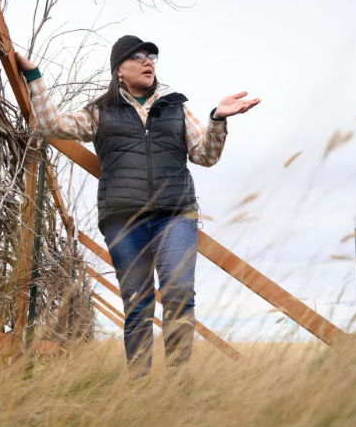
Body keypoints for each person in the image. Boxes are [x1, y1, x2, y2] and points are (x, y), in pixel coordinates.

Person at [15, 35, 260, 379]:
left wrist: (217, 119)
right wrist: (34, 76)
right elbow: (50, 124)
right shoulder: (100, 112)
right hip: (123, 219)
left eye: (152, 58)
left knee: (178, 293)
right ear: (119, 70)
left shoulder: (175, 107)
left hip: (174, 215)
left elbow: (205, 156)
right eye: (138, 56)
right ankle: (140, 389)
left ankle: (177, 383)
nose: (148, 62)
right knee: (137, 302)